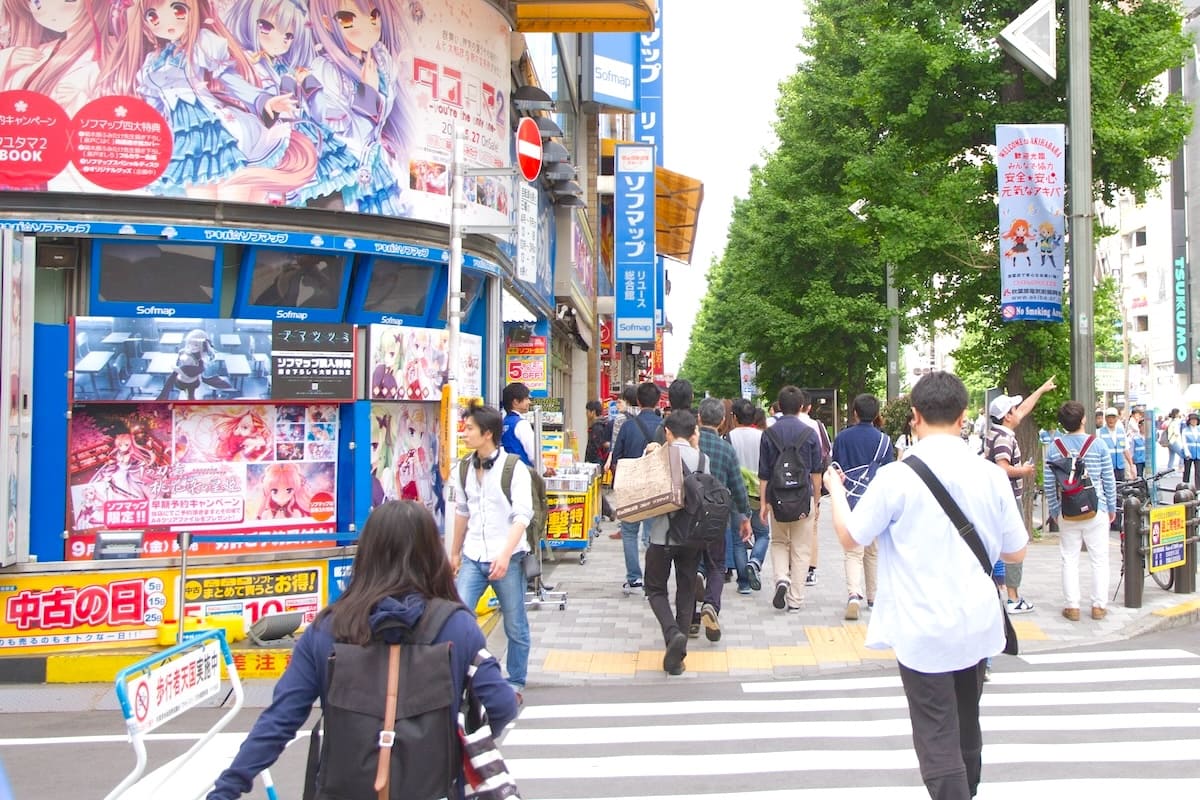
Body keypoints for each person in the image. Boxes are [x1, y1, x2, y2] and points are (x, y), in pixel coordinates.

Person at [207, 500, 518, 800]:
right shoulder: (458, 627)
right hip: (434, 789)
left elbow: (280, 720)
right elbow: (502, 705)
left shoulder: (328, 628)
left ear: (367, 554)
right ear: (431, 555)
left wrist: (227, 788)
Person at [824, 371, 1028, 800]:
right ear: (964, 416)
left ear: (914, 417)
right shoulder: (991, 475)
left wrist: (835, 491)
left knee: (936, 730)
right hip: (976, 622)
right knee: (967, 720)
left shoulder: (896, 478)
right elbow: (1016, 553)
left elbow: (851, 537)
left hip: (922, 626)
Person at [450, 404, 532, 700]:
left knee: (514, 621)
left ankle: (516, 681)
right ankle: (459, 678)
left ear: (487, 433)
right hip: (473, 553)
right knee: (458, 618)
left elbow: (522, 515)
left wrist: (505, 554)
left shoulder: (514, 468)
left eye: (470, 428)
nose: (465, 433)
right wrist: (455, 552)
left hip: (507, 556)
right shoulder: (462, 468)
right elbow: (462, 512)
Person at [983, 376, 1055, 615]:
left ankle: (995, 590)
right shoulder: (1004, 438)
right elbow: (1002, 468)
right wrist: (1023, 470)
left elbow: (1024, 408)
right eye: (1014, 409)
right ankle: (1013, 598)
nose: (1018, 411)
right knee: (1015, 544)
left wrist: (1042, 389)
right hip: (1007, 498)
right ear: (1007, 416)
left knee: (996, 545)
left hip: (995, 498)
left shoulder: (996, 432)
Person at [641, 409, 705, 675]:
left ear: (667, 431)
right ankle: (679, 651)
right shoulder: (703, 458)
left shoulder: (659, 456)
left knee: (655, 589)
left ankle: (671, 634)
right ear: (693, 433)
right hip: (692, 535)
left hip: (662, 535)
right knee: (687, 588)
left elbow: (645, 489)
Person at [1043, 401, 1117, 622]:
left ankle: (1072, 606)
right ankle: (1098, 606)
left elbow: (1049, 483)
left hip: (1068, 511)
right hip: (1097, 508)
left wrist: (1055, 511)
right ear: (1083, 419)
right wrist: (1111, 507)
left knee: (1069, 558)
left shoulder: (1055, 447)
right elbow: (1108, 480)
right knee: (1100, 559)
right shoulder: (1099, 445)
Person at [758, 385, 823, 612]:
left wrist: (763, 503)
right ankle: (795, 599)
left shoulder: (769, 433)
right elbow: (816, 472)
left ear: (779, 406)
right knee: (801, 548)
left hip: (777, 498)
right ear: (801, 407)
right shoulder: (810, 433)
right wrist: (815, 500)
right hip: (803, 497)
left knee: (778, 541)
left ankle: (781, 578)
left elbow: (764, 472)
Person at [831, 393, 894, 620]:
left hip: (849, 499)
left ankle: (853, 594)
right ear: (876, 413)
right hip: (875, 500)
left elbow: (835, 466)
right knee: (873, 551)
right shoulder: (884, 441)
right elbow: (889, 474)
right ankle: (873, 596)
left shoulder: (842, 438)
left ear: (855, 413)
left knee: (853, 552)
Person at [696, 397, 753, 641]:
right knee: (717, 565)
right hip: (717, 516)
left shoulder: (690, 445)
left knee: (689, 565)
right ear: (721, 422)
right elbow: (738, 487)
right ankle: (711, 605)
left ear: (698, 418)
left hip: (688, 515)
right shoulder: (726, 450)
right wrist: (745, 516)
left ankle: (689, 620)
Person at [608, 381, 663, 592]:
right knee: (651, 533)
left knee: (629, 532)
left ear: (638, 401)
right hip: (655, 486)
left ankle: (634, 578)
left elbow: (617, 457)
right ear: (658, 401)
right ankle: (652, 577)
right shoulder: (664, 426)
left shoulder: (628, 425)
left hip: (631, 485)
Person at [726, 398, 770, 594]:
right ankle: (755, 561)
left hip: (737, 493)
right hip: (759, 492)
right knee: (763, 534)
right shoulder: (763, 437)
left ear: (734, 417)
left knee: (738, 539)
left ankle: (743, 583)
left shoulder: (728, 437)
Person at [797, 391, 831, 588]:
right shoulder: (816, 426)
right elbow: (824, 455)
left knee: (787, 532)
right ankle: (810, 570)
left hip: (783, 488)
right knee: (812, 529)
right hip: (809, 485)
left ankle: (790, 570)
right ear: (809, 407)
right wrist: (818, 496)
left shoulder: (776, 426)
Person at [605, 385, 641, 538]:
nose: (617, 405)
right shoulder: (644, 415)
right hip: (643, 464)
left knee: (625, 496)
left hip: (626, 465)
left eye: (620, 402)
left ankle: (625, 526)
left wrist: (609, 460)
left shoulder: (620, 419)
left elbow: (615, 444)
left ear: (627, 401)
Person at [1098, 407, 1134, 530]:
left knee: (1119, 494)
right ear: (1105, 419)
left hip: (1119, 467)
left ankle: (1117, 521)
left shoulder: (1121, 432)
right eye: (1109, 417)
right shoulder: (1100, 433)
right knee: (1106, 493)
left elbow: (1126, 449)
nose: (1111, 420)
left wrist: (1131, 465)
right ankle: (1107, 520)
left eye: (1113, 417)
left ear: (1117, 418)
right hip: (1106, 468)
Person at [500, 382, 538, 469]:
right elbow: (533, 454)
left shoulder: (504, 422)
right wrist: (544, 470)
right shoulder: (521, 424)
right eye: (526, 398)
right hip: (523, 470)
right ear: (516, 402)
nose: (529, 402)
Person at [1182, 412, 1200, 488]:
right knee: (1187, 471)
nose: (1194, 422)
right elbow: (1184, 442)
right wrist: (1186, 452)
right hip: (1189, 452)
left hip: (1198, 453)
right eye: (1192, 420)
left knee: (1198, 472)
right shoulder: (1185, 430)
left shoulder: (1199, 430)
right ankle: (1185, 486)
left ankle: (1198, 488)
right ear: (1189, 421)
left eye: (1195, 420)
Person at [1129, 408, 1147, 478]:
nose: (1144, 427)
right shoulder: (1135, 437)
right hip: (1138, 459)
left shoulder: (1148, 438)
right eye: (1142, 425)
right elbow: (1131, 449)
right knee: (1139, 475)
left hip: (1146, 459)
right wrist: (1131, 459)